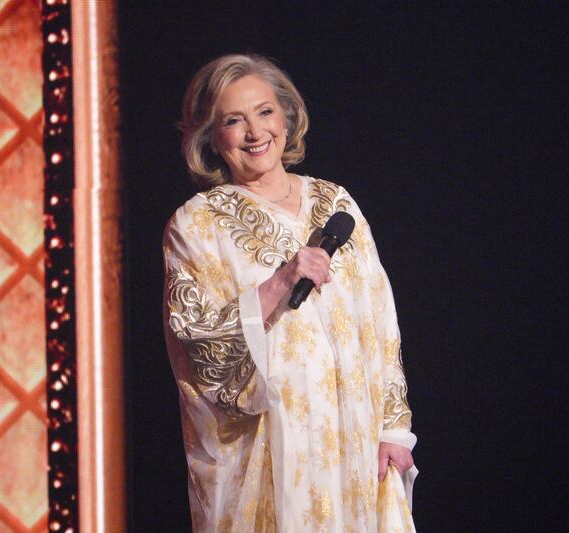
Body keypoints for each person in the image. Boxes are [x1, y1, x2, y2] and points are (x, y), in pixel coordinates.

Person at [162, 53, 417, 532]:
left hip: (356, 436)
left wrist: (394, 428)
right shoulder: (195, 224)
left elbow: (382, 320)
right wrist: (279, 282)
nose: (255, 132)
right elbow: (195, 340)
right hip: (273, 444)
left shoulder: (335, 203)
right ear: (210, 137)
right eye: (233, 121)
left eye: (264, 112)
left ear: (286, 116)